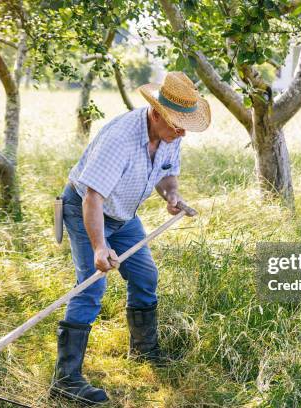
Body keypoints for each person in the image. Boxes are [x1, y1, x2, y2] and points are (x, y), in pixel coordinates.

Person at [50, 72, 211, 404]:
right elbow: (92, 198)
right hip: (85, 210)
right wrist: (99, 246)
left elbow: (167, 173)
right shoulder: (121, 139)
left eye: (185, 125)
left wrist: (172, 196)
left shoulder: (172, 134)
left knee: (145, 275)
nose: (183, 131)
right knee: (91, 285)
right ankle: (65, 379)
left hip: (123, 215)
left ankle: (144, 351)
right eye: (178, 124)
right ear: (156, 113)